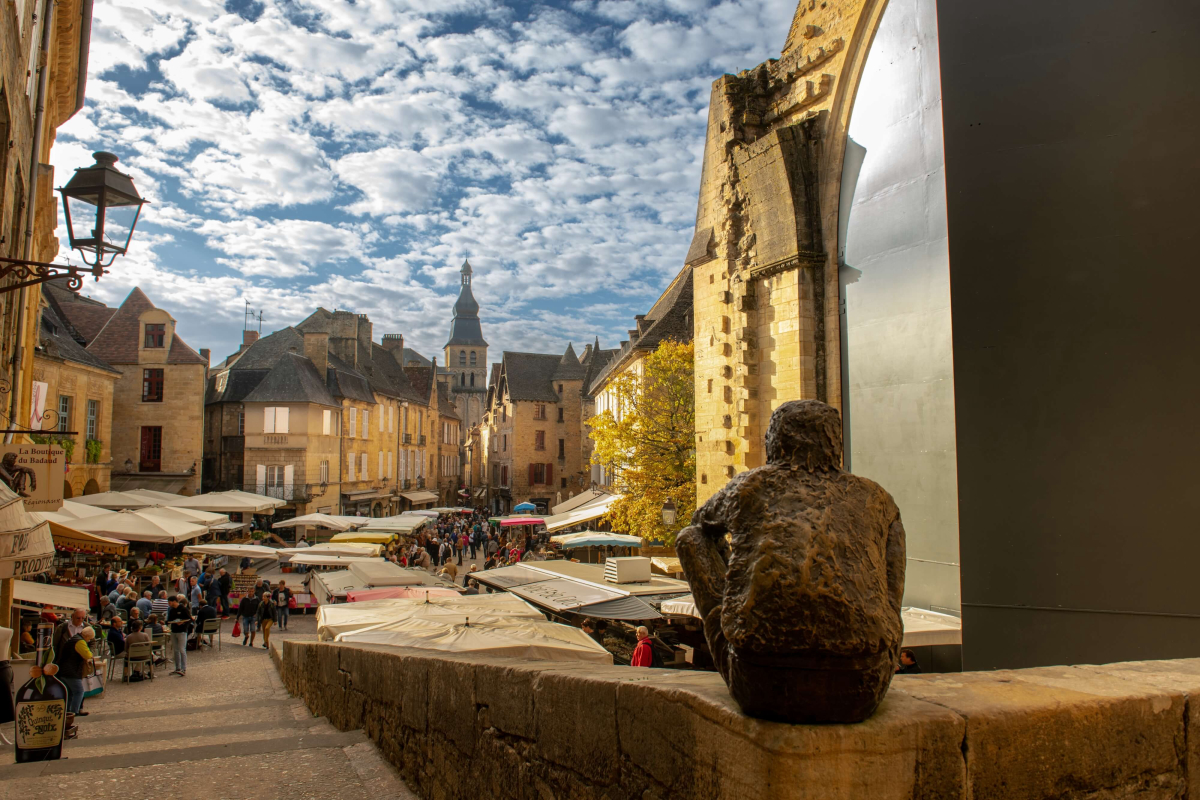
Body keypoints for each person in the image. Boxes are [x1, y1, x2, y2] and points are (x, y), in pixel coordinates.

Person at [57, 626, 96, 728]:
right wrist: (90, 654)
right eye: (90, 638)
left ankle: (68, 711)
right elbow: (87, 655)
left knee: (70, 692)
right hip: (71, 671)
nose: (89, 640)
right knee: (79, 691)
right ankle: (75, 711)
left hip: (64, 670)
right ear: (87, 636)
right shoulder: (80, 642)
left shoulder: (74, 639)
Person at [166, 595, 193, 677]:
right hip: (174, 630)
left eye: (170, 602)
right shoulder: (171, 610)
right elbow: (169, 620)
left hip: (182, 631)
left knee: (182, 649)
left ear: (174, 601)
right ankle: (177, 667)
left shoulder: (184, 609)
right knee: (176, 650)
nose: (169, 604)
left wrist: (182, 623)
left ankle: (183, 668)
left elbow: (189, 619)